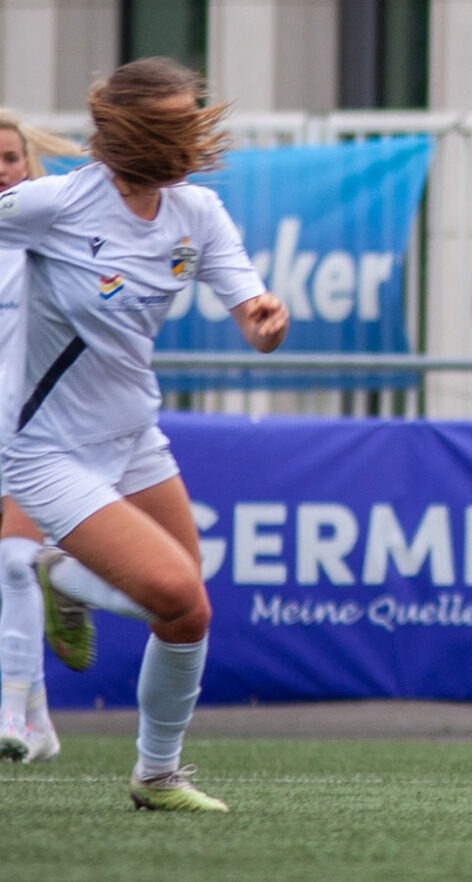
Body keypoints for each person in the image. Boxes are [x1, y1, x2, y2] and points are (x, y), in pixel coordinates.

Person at [0, 57, 290, 810]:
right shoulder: (55, 203)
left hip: (134, 438)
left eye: (195, 120)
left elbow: (252, 311)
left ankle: (157, 775)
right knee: (174, 588)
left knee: (189, 613)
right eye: (178, 124)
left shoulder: (198, 213)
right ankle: (58, 575)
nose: (195, 137)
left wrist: (266, 320)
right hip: (46, 452)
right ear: (133, 133)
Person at [0, 110, 84, 763]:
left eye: (10, 157)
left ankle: (11, 716)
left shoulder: (46, 236)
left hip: (36, 428)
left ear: (29, 164)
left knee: (15, 562)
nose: (2, 170)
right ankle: (39, 720)